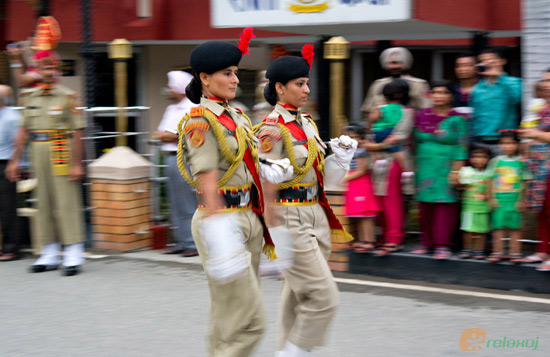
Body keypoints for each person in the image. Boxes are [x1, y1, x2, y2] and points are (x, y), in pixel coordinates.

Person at [255, 44, 356, 356]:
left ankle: (287, 350)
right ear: (279, 88)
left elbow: (324, 178)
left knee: (298, 296)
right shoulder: (271, 130)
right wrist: (272, 234)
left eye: (306, 83)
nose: (306, 89)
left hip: (315, 213)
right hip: (290, 217)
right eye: (299, 84)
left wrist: (340, 159)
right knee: (324, 297)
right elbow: (266, 183)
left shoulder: (306, 123)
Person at [177, 28, 272, 356]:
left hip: (249, 216)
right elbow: (206, 175)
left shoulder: (238, 116)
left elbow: (253, 163)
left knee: (227, 315)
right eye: (226, 73)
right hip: (221, 219)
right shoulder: (200, 122)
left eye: (235, 73)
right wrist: (219, 230)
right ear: (204, 77)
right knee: (250, 320)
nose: (234, 79)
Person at [6, 50, 86, 276]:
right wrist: (15, 160)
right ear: (38, 71)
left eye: (52, 68)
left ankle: (73, 252)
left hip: (61, 147)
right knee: (43, 201)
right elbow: (23, 130)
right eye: (44, 68)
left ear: (58, 71)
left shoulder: (68, 96)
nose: (49, 72)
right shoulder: (29, 97)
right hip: (38, 149)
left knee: (66, 201)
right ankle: (49, 252)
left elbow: (78, 130)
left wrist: (78, 163)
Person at [412, 80, 469, 259]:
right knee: (425, 205)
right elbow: (413, 142)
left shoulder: (457, 119)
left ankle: (442, 245)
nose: (438, 96)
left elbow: (462, 146)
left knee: (445, 205)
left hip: (446, 167)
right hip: (424, 167)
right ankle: (426, 243)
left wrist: (456, 171)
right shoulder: (421, 115)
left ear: (451, 96)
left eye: (443, 92)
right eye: (435, 92)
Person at [154, 70, 199, 257]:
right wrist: (170, 136)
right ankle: (180, 241)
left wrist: (169, 136)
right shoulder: (171, 109)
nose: (169, 90)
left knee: (186, 202)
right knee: (174, 201)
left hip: (184, 157)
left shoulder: (192, 108)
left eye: (172, 87)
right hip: (170, 157)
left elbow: (184, 135)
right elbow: (160, 134)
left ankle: (192, 243)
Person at [469, 48, 522, 155]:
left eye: (491, 60)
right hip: (481, 142)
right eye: (483, 61)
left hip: (506, 143)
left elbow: (516, 99)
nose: (487, 63)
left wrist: (499, 77)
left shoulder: (515, 82)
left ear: (503, 61)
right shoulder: (477, 89)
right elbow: (474, 117)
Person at [486, 131, 528, 263]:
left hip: (515, 200)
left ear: (517, 145)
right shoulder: (495, 162)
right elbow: (489, 180)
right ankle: (497, 252)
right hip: (499, 199)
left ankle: (515, 253)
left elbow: (524, 181)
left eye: (510, 143)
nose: (506, 146)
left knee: (515, 228)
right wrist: (490, 198)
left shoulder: (521, 162)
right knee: (498, 227)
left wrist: (522, 200)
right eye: (503, 143)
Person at [519, 94, 550, 270]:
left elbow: (538, 134)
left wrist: (536, 133)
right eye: (545, 81)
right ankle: (543, 249)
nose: (546, 85)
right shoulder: (541, 108)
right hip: (540, 166)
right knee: (542, 210)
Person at [341, 123, 379, 253]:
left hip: (361, 184)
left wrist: (346, 178)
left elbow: (362, 170)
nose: (352, 139)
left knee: (366, 215)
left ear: (361, 138)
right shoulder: (352, 150)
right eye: (349, 137)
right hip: (355, 184)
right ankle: (363, 240)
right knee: (360, 215)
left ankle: (369, 241)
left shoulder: (361, 151)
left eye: (355, 137)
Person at [368, 79, 414, 184]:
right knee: (399, 152)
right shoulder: (404, 110)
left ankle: (379, 160)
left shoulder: (380, 107)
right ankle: (407, 171)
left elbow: (372, 119)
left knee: (372, 148)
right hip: (390, 133)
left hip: (377, 131)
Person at [360, 47, 430, 116]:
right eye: (391, 63)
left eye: (399, 63)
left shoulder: (419, 84)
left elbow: (427, 109)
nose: (394, 67)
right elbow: (367, 110)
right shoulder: (377, 85)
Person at [457, 147, 492, 260]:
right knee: (467, 230)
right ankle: (467, 249)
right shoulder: (467, 171)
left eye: (482, 157)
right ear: (470, 159)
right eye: (475, 157)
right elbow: (460, 185)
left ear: (488, 159)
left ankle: (479, 250)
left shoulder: (490, 173)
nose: (479, 160)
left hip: (483, 207)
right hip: (469, 206)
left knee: (482, 230)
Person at [0, 85, 21, 262]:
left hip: (6, 164)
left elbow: (18, 143)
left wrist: (16, 163)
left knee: (7, 207)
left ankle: (11, 248)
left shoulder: (11, 116)